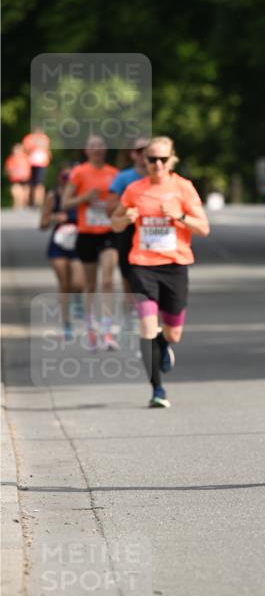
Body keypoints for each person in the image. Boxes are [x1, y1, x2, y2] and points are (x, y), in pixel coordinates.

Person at [111, 136, 210, 408]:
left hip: (175, 265)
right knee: (146, 327)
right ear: (144, 160)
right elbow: (115, 224)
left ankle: (164, 343)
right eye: (151, 158)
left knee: (173, 333)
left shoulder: (183, 188)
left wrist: (178, 216)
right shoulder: (134, 189)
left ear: (171, 159)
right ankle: (157, 389)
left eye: (162, 159)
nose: (156, 163)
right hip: (142, 266)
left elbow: (203, 228)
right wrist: (125, 218)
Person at [61, 135, 119, 350]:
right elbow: (66, 203)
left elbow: (123, 201)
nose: (96, 150)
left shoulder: (114, 174)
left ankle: (108, 328)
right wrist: (84, 198)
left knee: (107, 281)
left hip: (108, 232)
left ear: (105, 149)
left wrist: (112, 206)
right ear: (86, 150)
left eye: (100, 146)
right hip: (86, 233)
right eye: (92, 146)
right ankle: (90, 326)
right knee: (90, 284)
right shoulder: (79, 173)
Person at [106, 136, 149, 326]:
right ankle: (129, 319)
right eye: (139, 151)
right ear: (132, 154)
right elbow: (110, 208)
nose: (144, 155)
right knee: (128, 280)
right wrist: (127, 209)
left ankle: (149, 317)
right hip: (129, 232)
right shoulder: (124, 177)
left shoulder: (160, 176)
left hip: (153, 232)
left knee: (150, 278)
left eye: (147, 150)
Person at [39, 164, 84, 340]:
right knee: (64, 285)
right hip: (58, 244)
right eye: (65, 177)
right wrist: (53, 218)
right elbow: (42, 224)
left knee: (78, 282)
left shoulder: (80, 195)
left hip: (78, 243)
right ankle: (66, 324)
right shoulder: (53, 196)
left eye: (71, 177)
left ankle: (78, 298)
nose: (68, 181)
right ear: (59, 178)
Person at [22, 128, 51, 208]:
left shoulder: (44, 138)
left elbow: (46, 148)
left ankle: (38, 202)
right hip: (30, 163)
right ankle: (29, 202)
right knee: (30, 184)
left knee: (39, 183)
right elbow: (26, 149)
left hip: (41, 163)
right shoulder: (29, 138)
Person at [4, 144, 31, 209]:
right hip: (15, 178)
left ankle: (24, 203)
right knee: (16, 191)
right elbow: (8, 169)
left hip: (24, 178)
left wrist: (25, 175)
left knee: (25, 192)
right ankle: (17, 205)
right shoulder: (11, 159)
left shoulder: (25, 158)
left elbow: (28, 168)